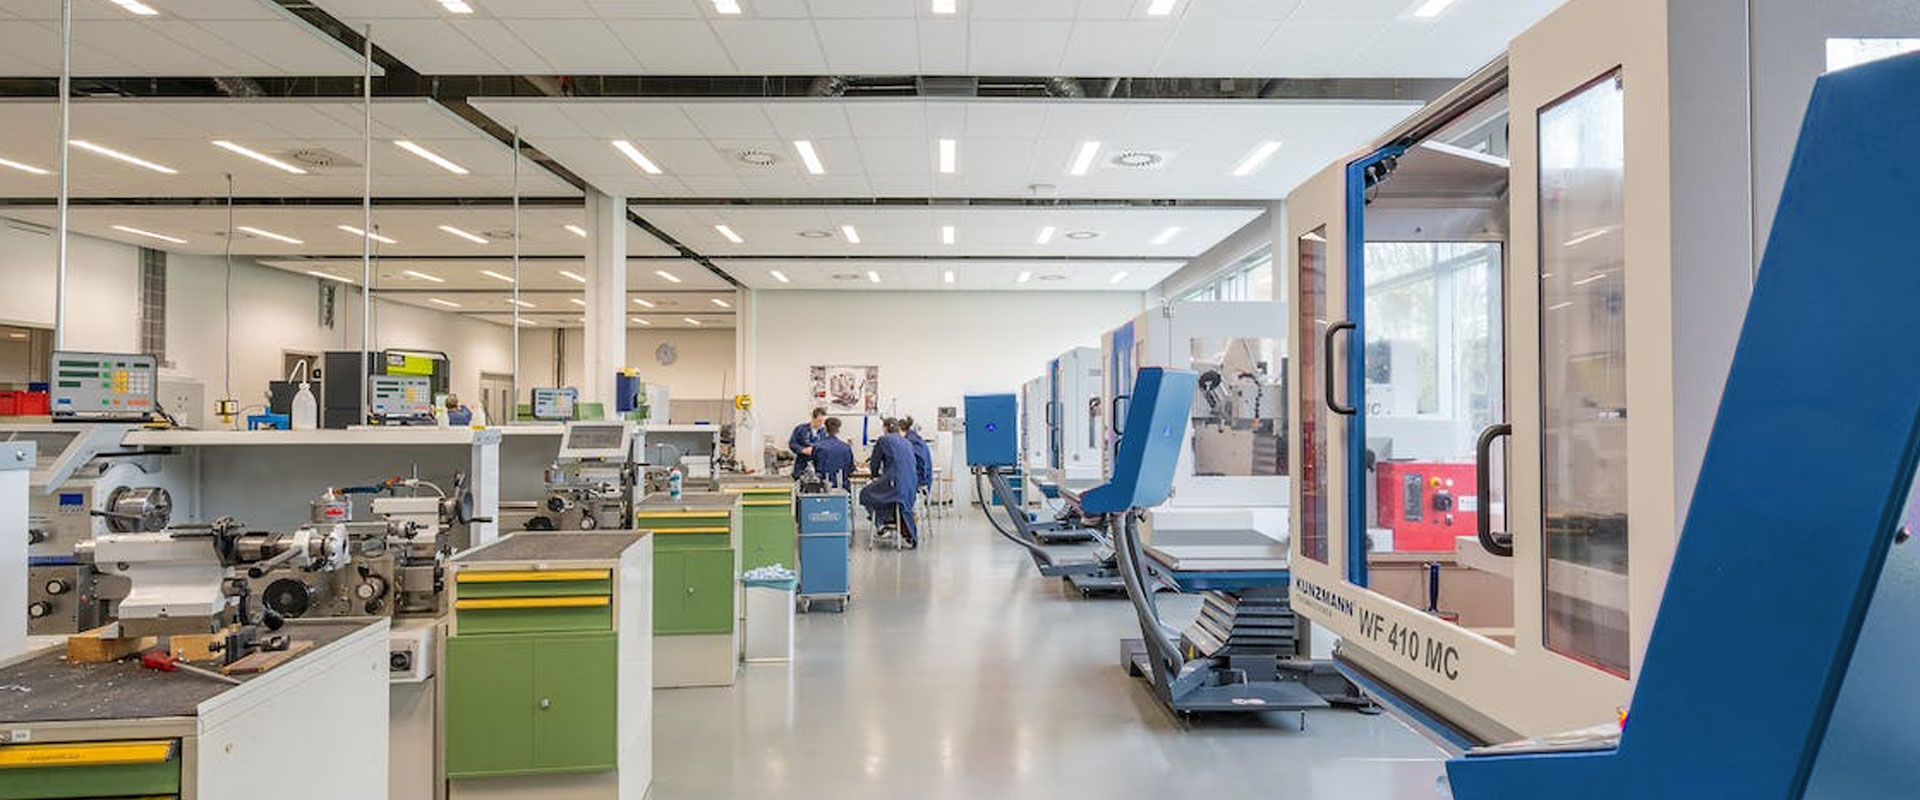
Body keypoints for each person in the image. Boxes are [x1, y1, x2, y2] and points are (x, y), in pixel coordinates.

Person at [860, 418, 920, 548]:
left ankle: (881, 524)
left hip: (895, 483)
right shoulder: (907, 442)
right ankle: (888, 518)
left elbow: (875, 463)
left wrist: (874, 476)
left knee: (865, 494)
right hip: (910, 485)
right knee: (884, 494)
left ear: (885, 428)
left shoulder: (883, 440)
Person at [813, 417, 856, 490]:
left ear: (825, 429)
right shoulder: (846, 447)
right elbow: (851, 468)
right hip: (843, 487)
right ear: (838, 430)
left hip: (823, 488)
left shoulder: (818, 447)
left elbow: (816, 468)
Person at [788, 407, 828, 479]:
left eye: (823, 421)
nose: (821, 424)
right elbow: (792, 443)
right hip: (802, 464)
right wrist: (802, 450)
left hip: (818, 465)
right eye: (819, 421)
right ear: (813, 418)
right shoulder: (801, 429)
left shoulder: (824, 432)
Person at [902, 415, 933, 493]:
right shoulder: (915, 439)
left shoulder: (911, 441)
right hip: (922, 478)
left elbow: (920, 461)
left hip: (919, 480)